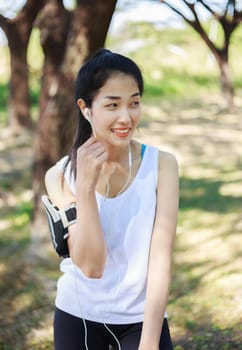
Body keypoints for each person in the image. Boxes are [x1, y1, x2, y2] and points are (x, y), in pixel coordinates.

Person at [44, 48, 179, 350]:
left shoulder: (163, 165)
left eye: (134, 103)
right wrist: (85, 189)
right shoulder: (60, 176)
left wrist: (149, 341)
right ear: (86, 107)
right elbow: (92, 267)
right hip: (77, 316)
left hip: (141, 318)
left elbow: (160, 259)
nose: (126, 117)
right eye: (112, 104)